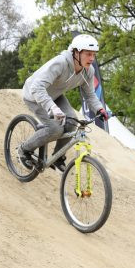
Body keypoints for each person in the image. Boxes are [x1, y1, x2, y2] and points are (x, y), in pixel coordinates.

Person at [19, 34, 108, 172]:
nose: (92, 58)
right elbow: (36, 88)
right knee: (55, 129)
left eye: (94, 55)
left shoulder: (88, 71)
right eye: (88, 54)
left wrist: (99, 110)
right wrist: (52, 108)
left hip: (56, 95)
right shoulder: (60, 63)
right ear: (76, 52)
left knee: (72, 124)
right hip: (34, 95)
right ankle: (24, 149)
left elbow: (90, 95)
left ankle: (58, 156)